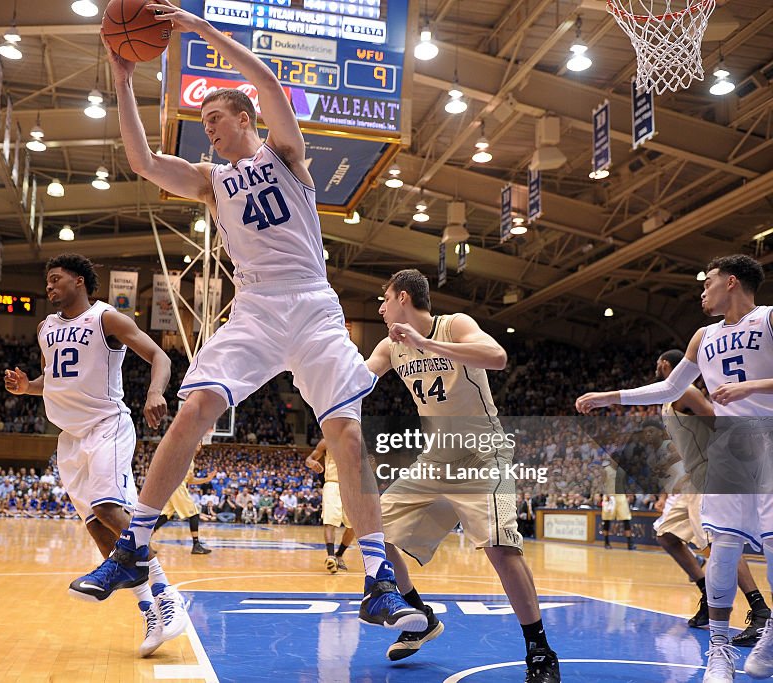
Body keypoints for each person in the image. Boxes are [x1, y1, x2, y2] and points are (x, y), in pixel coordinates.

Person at [72, 1, 423, 632]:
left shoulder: (286, 156)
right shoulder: (211, 181)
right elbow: (144, 164)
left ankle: (377, 582)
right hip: (257, 306)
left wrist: (201, 31)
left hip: (312, 302)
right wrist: (124, 81)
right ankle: (134, 548)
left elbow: (264, 80)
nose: (207, 127)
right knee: (195, 406)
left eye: (215, 118)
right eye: (203, 120)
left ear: (246, 119)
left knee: (346, 432)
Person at [328, 269, 561, 681]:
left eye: (384, 299)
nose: (380, 307)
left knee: (501, 548)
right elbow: (359, 380)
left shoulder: (454, 325)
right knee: (376, 531)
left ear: (403, 297)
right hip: (435, 461)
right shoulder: (388, 346)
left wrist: (425, 343)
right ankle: (419, 614)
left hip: (484, 454)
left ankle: (539, 650)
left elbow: (498, 357)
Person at [576, 254, 773, 681]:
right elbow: (669, 387)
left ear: (733, 283)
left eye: (709, 283)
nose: (702, 292)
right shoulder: (702, 337)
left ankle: (771, 630)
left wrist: (752, 386)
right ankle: (719, 651)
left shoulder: (770, 319)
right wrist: (611, 396)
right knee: (721, 545)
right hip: (730, 450)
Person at [4, 253, 187, 657]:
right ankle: (150, 611)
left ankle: (169, 595)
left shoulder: (107, 318)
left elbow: (161, 356)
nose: (49, 287)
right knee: (100, 533)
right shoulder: (44, 328)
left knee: (107, 507)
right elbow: (50, 382)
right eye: (47, 281)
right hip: (69, 439)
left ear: (80, 282)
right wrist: (25, 387)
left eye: (56, 279)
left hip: (108, 425)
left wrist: (155, 391)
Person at [650, 349, 771, 643]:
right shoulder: (671, 394)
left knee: (719, 543)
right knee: (666, 535)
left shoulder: (687, 390)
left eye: (657, 363)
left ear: (665, 364)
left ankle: (760, 611)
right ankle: (707, 590)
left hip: (709, 474)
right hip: (690, 478)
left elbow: (715, 417)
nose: (655, 367)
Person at [155, 441, 216, 554]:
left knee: (164, 516)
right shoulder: (184, 456)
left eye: (200, 444)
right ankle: (196, 545)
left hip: (171, 488)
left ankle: (142, 543)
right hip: (177, 487)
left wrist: (207, 479)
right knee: (194, 513)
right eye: (198, 442)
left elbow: (190, 480)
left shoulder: (190, 460)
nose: (199, 445)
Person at [305, 442, 356, 574]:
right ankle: (331, 556)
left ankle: (339, 555)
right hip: (332, 484)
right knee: (329, 521)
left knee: (354, 526)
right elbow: (309, 459)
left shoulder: (358, 440)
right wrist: (312, 463)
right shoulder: (327, 440)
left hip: (351, 486)